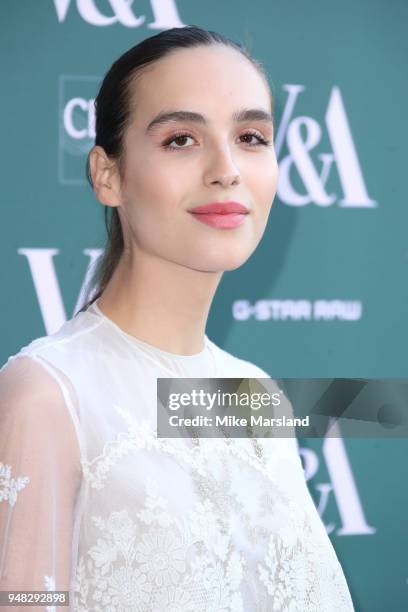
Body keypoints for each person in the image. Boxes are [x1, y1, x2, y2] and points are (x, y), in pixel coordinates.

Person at [0, 25, 355, 611]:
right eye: (181, 139)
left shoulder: (256, 395)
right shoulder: (46, 395)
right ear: (106, 174)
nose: (226, 169)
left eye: (250, 136)